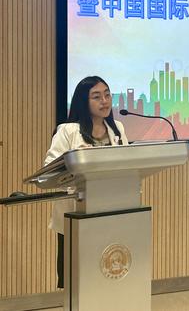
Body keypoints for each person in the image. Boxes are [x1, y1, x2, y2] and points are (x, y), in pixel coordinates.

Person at [43, 76, 128, 288]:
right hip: (77, 211)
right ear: (83, 101)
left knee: (107, 273)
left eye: (107, 95)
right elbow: (49, 170)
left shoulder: (117, 128)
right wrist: (76, 163)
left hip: (111, 210)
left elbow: (128, 164)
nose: (104, 101)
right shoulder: (67, 130)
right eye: (97, 97)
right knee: (77, 278)